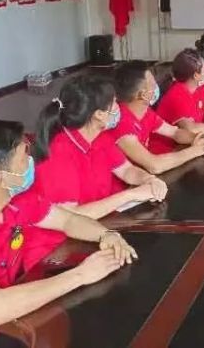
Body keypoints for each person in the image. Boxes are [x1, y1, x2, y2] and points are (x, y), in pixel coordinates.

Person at [0, 120, 136, 347]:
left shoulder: (15, 199)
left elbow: (68, 220)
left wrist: (106, 235)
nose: (31, 162)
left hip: (13, 316)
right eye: (24, 157)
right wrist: (81, 274)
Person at [22, 75, 169, 268]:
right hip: (56, 249)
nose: (118, 107)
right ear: (99, 114)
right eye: (114, 103)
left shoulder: (100, 137)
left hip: (97, 229)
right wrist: (130, 194)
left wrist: (149, 180)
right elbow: (72, 216)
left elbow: (127, 171)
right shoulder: (58, 152)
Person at [111, 61, 204, 174]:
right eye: (153, 83)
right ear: (143, 95)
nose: (156, 86)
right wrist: (197, 150)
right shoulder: (121, 124)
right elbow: (154, 165)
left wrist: (198, 138)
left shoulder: (145, 112)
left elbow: (174, 132)